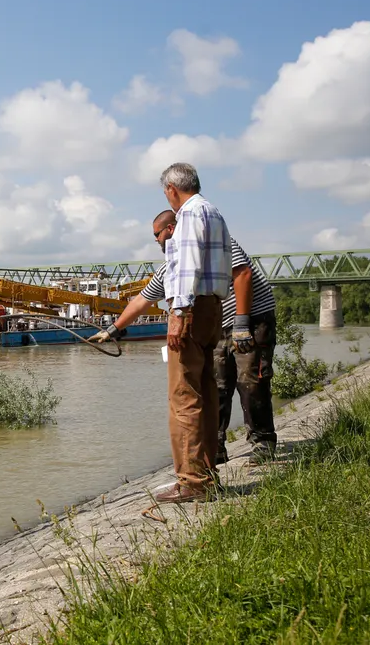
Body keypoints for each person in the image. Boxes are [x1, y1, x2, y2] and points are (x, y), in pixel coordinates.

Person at [94, 209, 278, 466]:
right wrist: (113, 329)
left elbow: (243, 273)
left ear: (169, 229)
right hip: (217, 327)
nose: (156, 241)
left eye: (156, 235)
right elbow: (141, 301)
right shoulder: (172, 266)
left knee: (251, 382)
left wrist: (242, 322)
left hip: (251, 319)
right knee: (217, 386)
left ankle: (263, 443)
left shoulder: (214, 242)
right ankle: (215, 448)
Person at [112, 163, 231, 503]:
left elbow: (187, 265)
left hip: (191, 311)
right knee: (205, 394)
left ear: (171, 190)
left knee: (183, 397)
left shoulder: (190, 214)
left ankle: (192, 481)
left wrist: (179, 313)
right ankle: (208, 474)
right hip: (212, 309)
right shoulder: (214, 212)